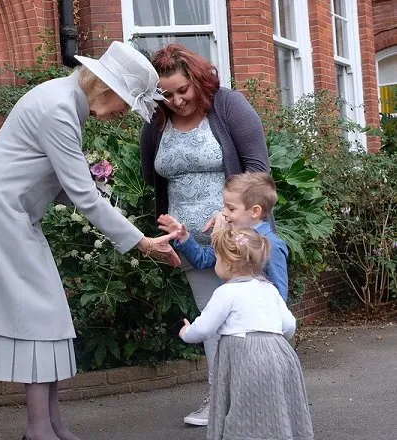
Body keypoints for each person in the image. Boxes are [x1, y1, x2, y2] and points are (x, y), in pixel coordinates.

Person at [0, 41, 181, 440]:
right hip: (1, 213)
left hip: (8, 210)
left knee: (47, 317)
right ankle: (39, 431)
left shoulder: (66, 100)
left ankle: (51, 425)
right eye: (126, 104)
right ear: (108, 90)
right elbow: (81, 194)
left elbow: (68, 184)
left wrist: (103, 197)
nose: (123, 115)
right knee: (39, 318)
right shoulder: (59, 108)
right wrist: (143, 242)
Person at [140, 43, 270, 425]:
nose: (177, 100)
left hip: (238, 240)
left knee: (248, 319)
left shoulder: (228, 106)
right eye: (167, 93)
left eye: (184, 89)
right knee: (211, 318)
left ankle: (259, 398)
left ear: (197, 79)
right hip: (191, 243)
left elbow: (258, 169)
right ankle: (218, 401)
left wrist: (228, 213)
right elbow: (152, 175)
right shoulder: (156, 120)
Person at [178, 228, 313, 440]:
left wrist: (186, 332)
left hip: (244, 357)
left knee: (243, 410)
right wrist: (270, 341)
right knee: (275, 406)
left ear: (228, 264)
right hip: (279, 355)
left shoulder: (225, 292)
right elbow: (289, 325)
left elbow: (204, 328)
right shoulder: (269, 289)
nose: (216, 263)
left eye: (217, 258)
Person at [158, 172, 289, 301]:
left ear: (255, 211)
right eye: (224, 207)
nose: (224, 213)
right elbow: (203, 260)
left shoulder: (272, 245)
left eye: (231, 209)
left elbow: (280, 296)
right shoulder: (229, 236)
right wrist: (184, 237)